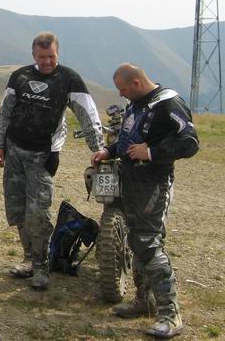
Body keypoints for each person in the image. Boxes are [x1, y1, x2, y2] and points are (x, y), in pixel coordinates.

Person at [92, 63, 198, 339]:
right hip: (129, 180)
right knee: (135, 240)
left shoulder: (168, 102)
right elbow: (128, 139)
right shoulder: (136, 104)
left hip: (154, 183)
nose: (121, 94)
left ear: (137, 83)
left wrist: (151, 152)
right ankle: (144, 300)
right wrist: (109, 151)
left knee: (148, 243)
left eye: (123, 89)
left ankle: (170, 314)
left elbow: (190, 142)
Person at [0, 32, 103, 290]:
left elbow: (87, 114)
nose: (47, 62)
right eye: (42, 57)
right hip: (14, 150)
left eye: (51, 56)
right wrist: (0, 144)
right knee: (18, 209)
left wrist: (98, 149)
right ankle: (29, 259)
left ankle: (42, 266)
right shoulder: (20, 76)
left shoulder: (69, 79)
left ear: (58, 53)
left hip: (43, 155)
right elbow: (5, 111)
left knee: (38, 212)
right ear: (34, 55)